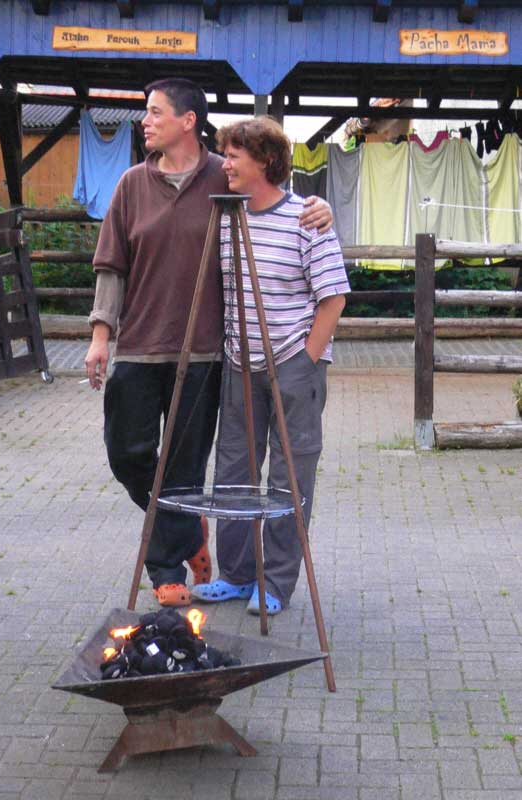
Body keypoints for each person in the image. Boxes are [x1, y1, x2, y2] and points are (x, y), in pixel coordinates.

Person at [85, 79, 334, 608]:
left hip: (226, 358)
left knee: (234, 474)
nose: (146, 121)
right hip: (174, 352)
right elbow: (112, 264)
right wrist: (100, 335)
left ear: (188, 120)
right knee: (161, 460)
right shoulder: (146, 187)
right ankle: (206, 546)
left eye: (156, 112)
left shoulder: (235, 185)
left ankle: (217, 574)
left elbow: (287, 212)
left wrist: (322, 209)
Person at [192, 116, 350, 615]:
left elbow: (334, 298)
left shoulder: (307, 218)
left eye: (234, 156)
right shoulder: (226, 217)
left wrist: (305, 360)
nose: (225, 164)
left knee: (289, 478)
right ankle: (237, 576)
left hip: (292, 367)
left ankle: (276, 583)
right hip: (238, 366)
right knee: (233, 472)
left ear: (265, 161)